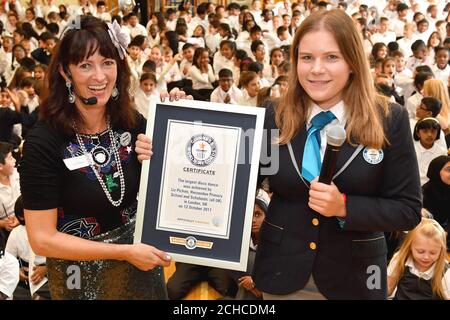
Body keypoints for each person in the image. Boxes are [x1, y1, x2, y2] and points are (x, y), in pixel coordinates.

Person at [18, 15, 192, 300]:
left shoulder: (131, 123)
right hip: (80, 281)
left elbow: (172, 177)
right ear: (65, 72)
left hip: (142, 270)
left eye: (107, 63)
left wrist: (179, 120)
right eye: (85, 65)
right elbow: (42, 240)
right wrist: (123, 252)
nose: (99, 77)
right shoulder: (43, 142)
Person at [254, 9, 422, 300]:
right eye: (307, 57)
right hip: (282, 276)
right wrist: (177, 133)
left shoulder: (389, 118)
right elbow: (237, 179)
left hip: (356, 279)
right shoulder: (273, 115)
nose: (316, 69)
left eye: (331, 57)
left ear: (353, 62)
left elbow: (407, 210)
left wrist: (345, 207)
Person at [387, 218, 450, 300]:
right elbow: (387, 289)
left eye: (433, 253)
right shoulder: (400, 260)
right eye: (420, 251)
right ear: (410, 247)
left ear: (441, 251)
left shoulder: (445, 272)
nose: (426, 257)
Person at [230, 188, 269, 300]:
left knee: (252, 258)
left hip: (270, 288)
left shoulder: (275, 240)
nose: (252, 220)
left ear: (267, 215)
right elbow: (229, 265)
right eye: (249, 215)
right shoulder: (239, 237)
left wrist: (254, 282)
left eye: (258, 215)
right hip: (245, 286)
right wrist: (247, 283)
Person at [422, 156, 450, 250]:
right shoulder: (423, 192)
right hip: (427, 235)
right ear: (436, 171)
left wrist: (446, 232)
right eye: (448, 170)